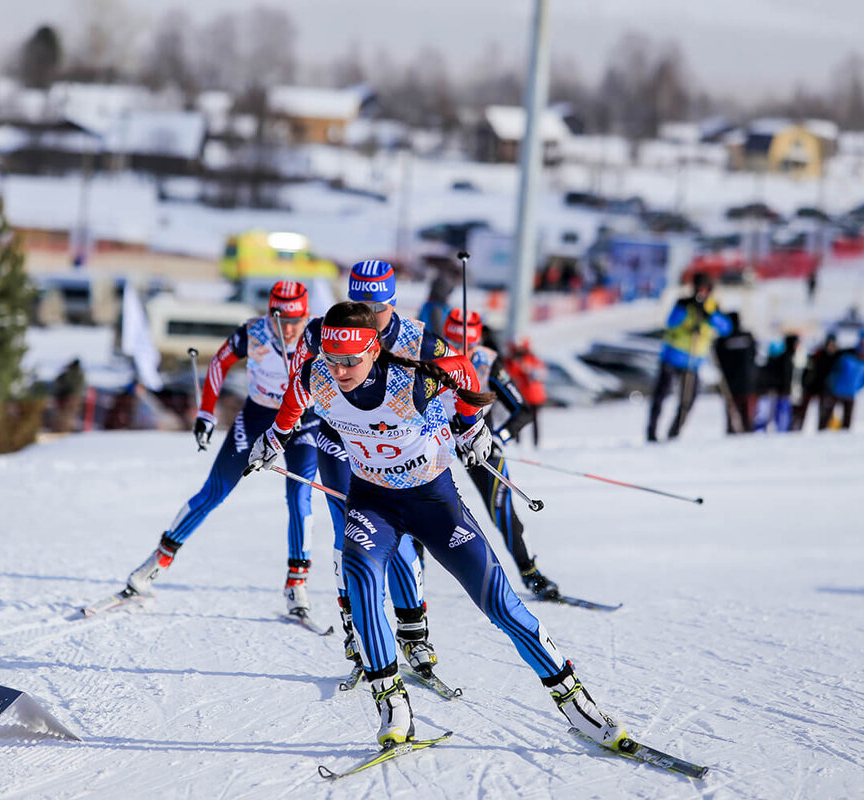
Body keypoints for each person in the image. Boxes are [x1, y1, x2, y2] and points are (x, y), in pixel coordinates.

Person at [245, 301, 629, 750]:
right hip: (373, 502)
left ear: (373, 350)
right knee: (362, 583)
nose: (342, 370)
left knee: (500, 604)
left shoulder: (412, 380)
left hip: (433, 501)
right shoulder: (317, 375)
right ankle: (393, 704)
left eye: (351, 359)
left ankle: (577, 703)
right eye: (333, 358)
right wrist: (273, 439)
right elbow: (292, 403)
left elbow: (463, 369)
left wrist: (471, 425)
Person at [120, 281, 321, 617]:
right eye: (280, 320)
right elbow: (218, 364)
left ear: (306, 315)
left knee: (299, 496)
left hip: (303, 420)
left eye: (295, 320)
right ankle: (156, 562)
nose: (287, 329)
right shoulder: (254, 332)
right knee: (215, 490)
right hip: (258, 415)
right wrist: (205, 413)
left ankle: (296, 584)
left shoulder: (317, 333)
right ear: (269, 314)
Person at [289, 260, 449, 680]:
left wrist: (462, 427)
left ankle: (413, 632)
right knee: (351, 537)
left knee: (401, 539)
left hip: (399, 453)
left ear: (393, 303)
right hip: (341, 447)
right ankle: (357, 631)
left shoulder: (417, 339)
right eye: (359, 303)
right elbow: (301, 378)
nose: (369, 318)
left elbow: (452, 381)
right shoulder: (322, 330)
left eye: (377, 309)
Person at [442, 308, 560, 599]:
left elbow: (522, 410)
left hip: (478, 443)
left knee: (502, 509)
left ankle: (531, 572)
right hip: (438, 442)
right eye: (454, 342)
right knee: (418, 505)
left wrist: (498, 438)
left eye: (467, 344)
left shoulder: (488, 362)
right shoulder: (432, 356)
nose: (461, 351)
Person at [647, 273, 731, 442]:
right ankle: (651, 432)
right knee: (661, 396)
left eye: (705, 289)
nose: (701, 292)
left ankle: (674, 433)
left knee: (688, 400)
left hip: (693, 360)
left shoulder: (713, 306)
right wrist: (687, 309)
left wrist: (709, 315)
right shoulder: (683, 303)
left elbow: (725, 328)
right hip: (672, 356)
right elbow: (671, 322)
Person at [712, 311, 757, 434]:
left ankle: (734, 432)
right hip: (746, 382)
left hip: (731, 382)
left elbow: (718, 359)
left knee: (732, 413)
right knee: (746, 414)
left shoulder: (722, 340)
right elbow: (754, 355)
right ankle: (746, 432)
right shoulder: (747, 336)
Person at [821, 329, 864, 431]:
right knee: (825, 421)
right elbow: (832, 369)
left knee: (847, 423)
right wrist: (831, 383)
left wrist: (857, 388)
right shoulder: (846, 355)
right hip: (835, 391)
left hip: (850, 393)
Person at [503, 339, 548, 446]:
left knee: (534, 420)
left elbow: (541, 374)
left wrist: (529, 371)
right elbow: (509, 375)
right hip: (522, 395)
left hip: (534, 396)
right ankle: (518, 442)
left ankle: (536, 443)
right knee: (519, 420)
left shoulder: (532, 359)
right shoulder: (511, 361)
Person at [793, 333, 838, 432]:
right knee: (801, 411)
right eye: (829, 344)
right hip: (811, 387)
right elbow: (807, 370)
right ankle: (797, 430)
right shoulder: (818, 355)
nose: (830, 346)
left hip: (825, 389)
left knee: (824, 413)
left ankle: (822, 431)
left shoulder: (836, 357)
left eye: (832, 344)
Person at [754, 334, 799, 433]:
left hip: (780, 392)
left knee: (777, 417)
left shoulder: (788, 357)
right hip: (779, 392)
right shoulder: (785, 358)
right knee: (776, 417)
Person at [51, 358, 86, 432]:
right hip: (76, 399)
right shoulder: (81, 374)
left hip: (67, 399)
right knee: (71, 417)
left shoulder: (69, 373)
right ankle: (68, 431)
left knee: (63, 416)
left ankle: (62, 431)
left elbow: (59, 382)